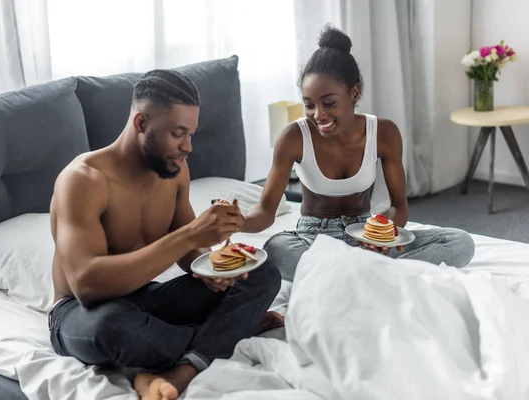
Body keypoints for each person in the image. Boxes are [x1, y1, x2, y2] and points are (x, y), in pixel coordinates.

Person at [47, 69, 282, 400]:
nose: (187, 147)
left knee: (262, 273)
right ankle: (226, 335)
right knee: (114, 327)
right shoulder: (83, 180)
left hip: (146, 301)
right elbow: (87, 286)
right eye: (178, 133)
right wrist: (189, 236)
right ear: (141, 123)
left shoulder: (175, 170)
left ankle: (180, 369)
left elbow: (190, 256)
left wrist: (212, 269)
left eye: (192, 134)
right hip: (81, 314)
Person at [240, 24, 475, 282]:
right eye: (309, 105)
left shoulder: (383, 133)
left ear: (353, 93)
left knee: (459, 243)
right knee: (277, 250)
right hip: (314, 240)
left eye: (329, 103)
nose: (318, 115)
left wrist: (384, 235)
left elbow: (399, 207)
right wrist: (233, 222)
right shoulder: (293, 137)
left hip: (368, 236)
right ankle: (380, 277)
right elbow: (264, 212)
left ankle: (349, 278)